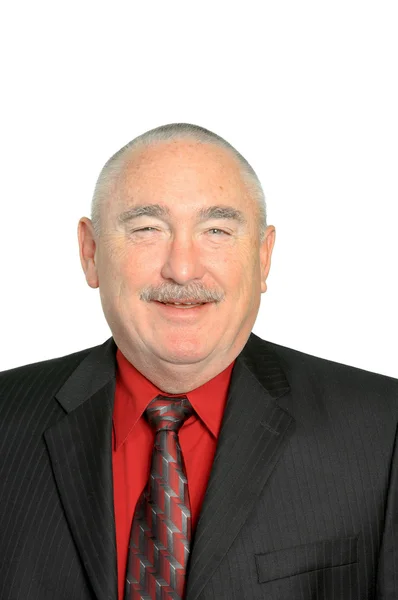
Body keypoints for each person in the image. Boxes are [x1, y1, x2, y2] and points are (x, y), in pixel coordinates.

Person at [0, 123, 397, 600]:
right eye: (147, 229)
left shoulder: (383, 429)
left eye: (217, 230)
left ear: (264, 256)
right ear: (90, 253)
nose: (182, 268)